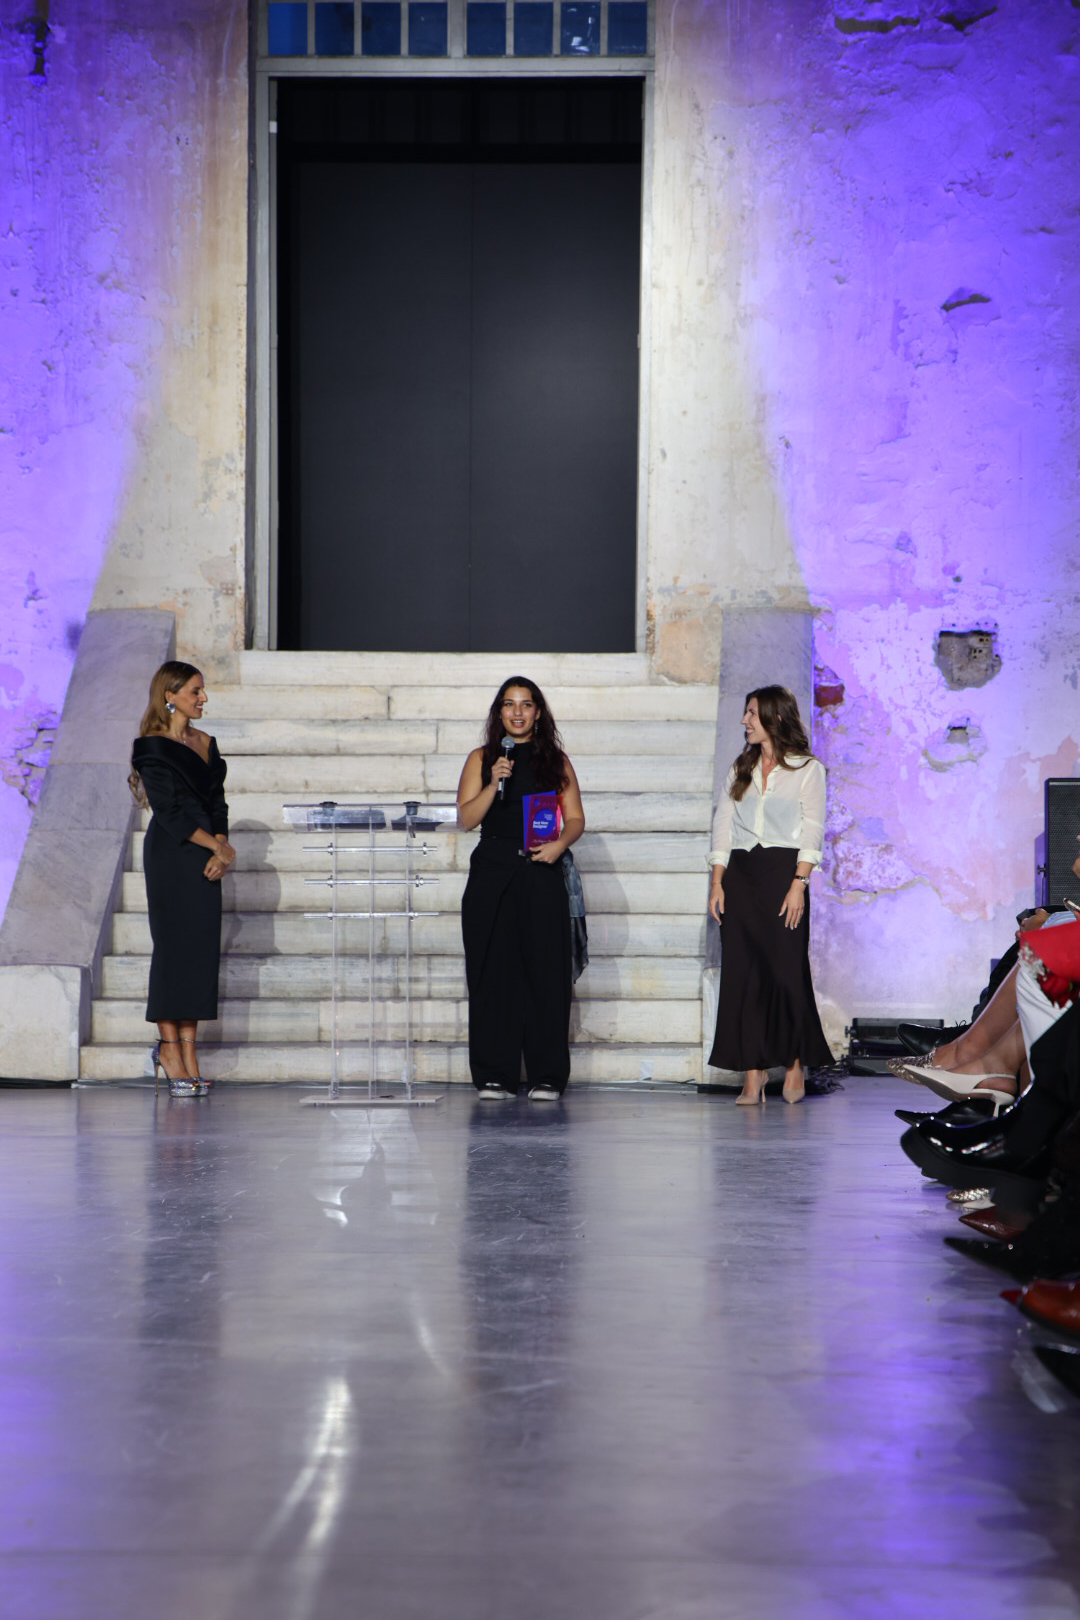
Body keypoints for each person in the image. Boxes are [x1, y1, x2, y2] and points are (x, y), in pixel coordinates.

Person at [457, 677, 585, 1101]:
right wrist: (493, 782)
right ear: (499, 712)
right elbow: (465, 819)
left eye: (526, 704)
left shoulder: (555, 760)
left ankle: (547, 1075)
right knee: (493, 972)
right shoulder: (482, 759)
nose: (517, 712)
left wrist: (558, 846)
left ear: (537, 712)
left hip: (540, 871)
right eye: (509, 704)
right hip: (492, 872)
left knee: (546, 972)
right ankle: (495, 1074)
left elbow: (576, 818)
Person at [707, 685, 831, 1104]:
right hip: (741, 875)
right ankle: (753, 1073)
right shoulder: (740, 768)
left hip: (783, 875)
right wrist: (717, 882)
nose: (744, 721)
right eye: (745, 713)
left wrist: (799, 883)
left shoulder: (807, 770)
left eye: (752, 713)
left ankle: (794, 1065)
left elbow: (813, 828)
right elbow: (723, 825)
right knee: (743, 974)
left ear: (775, 718)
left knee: (785, 971)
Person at [128, 661, 234, 1097]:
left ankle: (190, 1053)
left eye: (202, 690)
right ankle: (169, 1051)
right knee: (173, 951)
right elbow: (169, 813)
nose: (203, 697)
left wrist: (221, 846)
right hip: (172, 854)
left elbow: (217, 803)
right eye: (195, 691)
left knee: (198, 953)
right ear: (169, 696)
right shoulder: (151, 747)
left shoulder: (206, 743)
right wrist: (216, 847)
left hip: (207, 853)